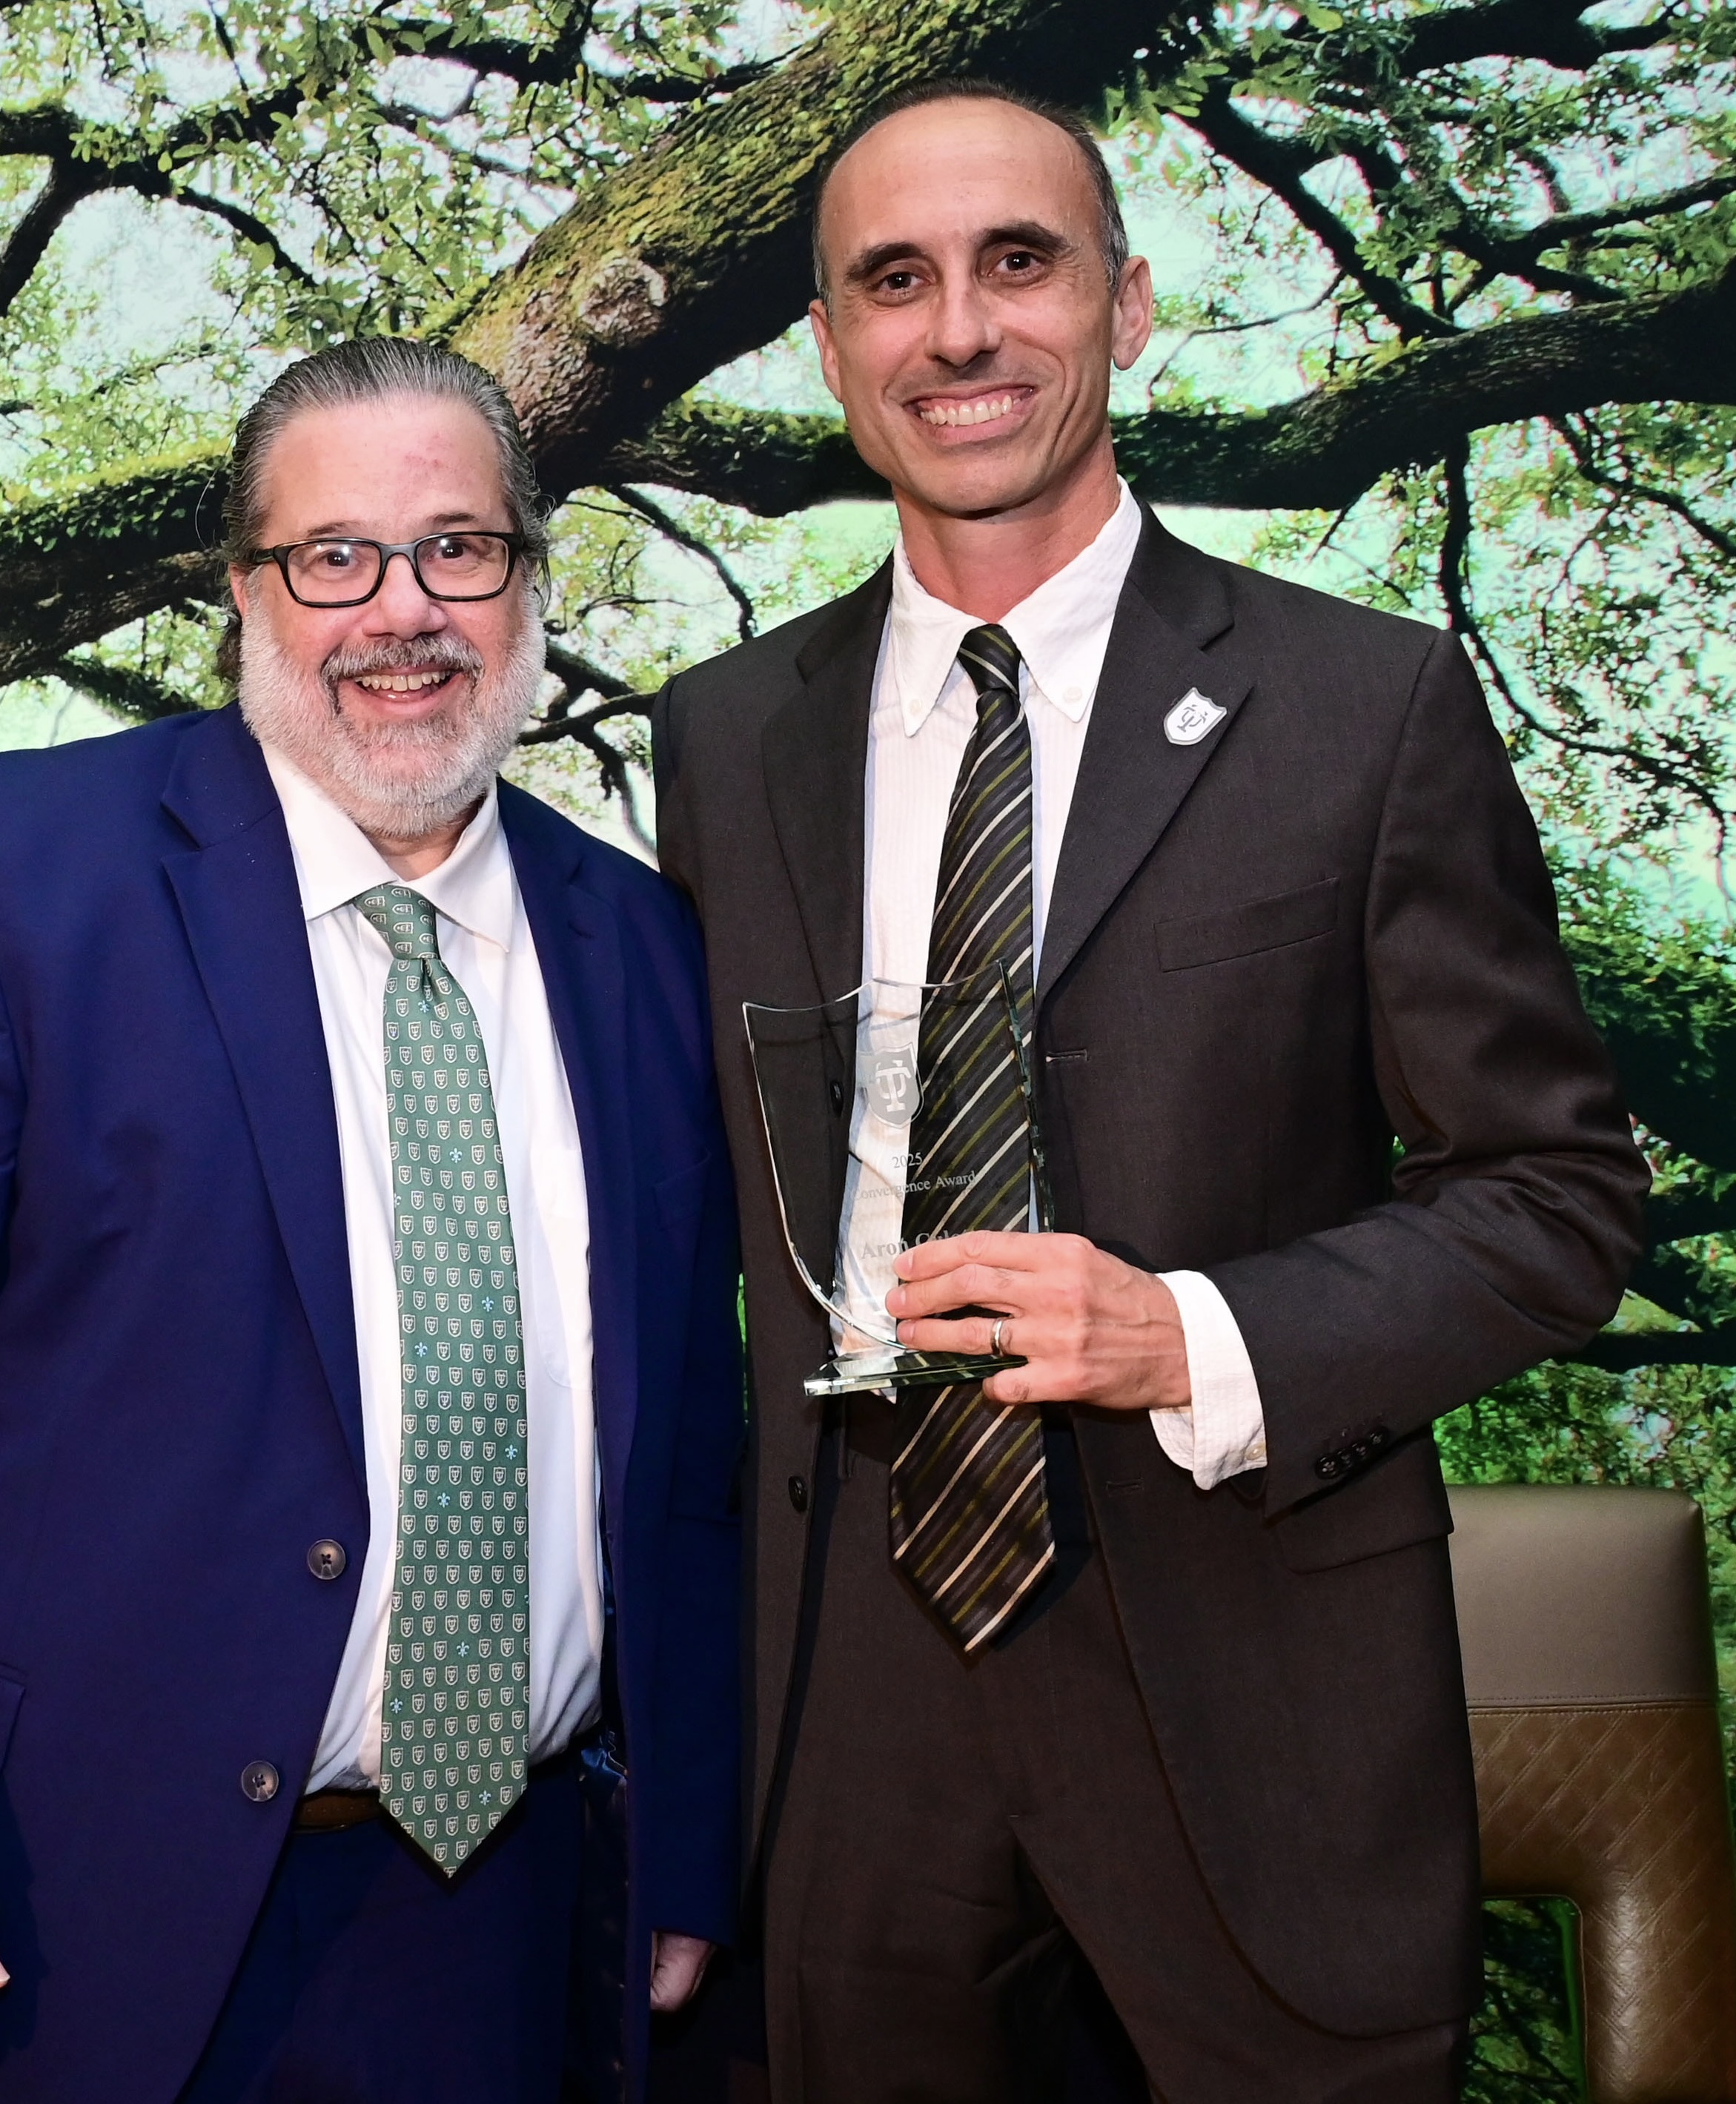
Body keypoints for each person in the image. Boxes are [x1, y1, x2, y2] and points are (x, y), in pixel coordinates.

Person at [651, 79, 1648, 2103]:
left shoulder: (1368, 706)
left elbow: (1556, 1198)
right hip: (846, 1720)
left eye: (1020, 260)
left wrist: (1185, 1328)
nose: (962, 330)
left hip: (1252, 1690)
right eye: (895, 282)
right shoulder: (717, 737)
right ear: (834, 352)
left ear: (1128, 302)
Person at [0, 338, 741, 2101]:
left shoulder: (643, 946)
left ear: (532, 587)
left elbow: (695, 1442)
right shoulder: (3, 879)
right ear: (242, 593)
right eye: (335, 557)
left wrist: (689, 1840)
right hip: (49, 1922)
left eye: (460, 550)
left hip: (498, 1930)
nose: (401, 612)